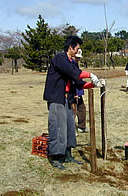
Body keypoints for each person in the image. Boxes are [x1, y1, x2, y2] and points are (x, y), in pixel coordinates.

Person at [43, 35, 104, 170]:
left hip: (67, 99)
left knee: (70, 127)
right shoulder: (60, 58)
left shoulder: (71, 62)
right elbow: (73, 72)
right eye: (77, 49)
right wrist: (89, 74)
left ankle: (67, 154)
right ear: (70, 47)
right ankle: (56, 157)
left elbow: (78, 82)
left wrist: (93, 84)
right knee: (58, 128)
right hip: (57, 99)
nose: (78, 51)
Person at [71, 49, 88, 134]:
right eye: (76, 57)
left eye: (79, 58)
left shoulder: (76, 65)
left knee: (82, 108)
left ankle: (82, 126)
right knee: (73, 111)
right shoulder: (70, 65)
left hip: (78, 91)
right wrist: (75, 93)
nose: (78, 59)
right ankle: (72, 129)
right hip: (73, 92)